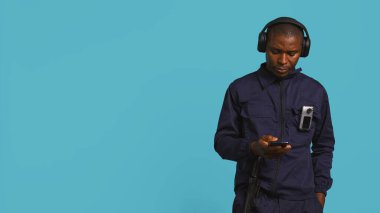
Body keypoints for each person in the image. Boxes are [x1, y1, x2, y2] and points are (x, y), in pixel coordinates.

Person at [214, 17, 335, 213]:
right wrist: (254, 148)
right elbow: (222, 142)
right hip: (254, 200)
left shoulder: (315, 92)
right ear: (264, 46)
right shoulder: (240, 89)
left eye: (292, 53)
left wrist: (319, 196)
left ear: (303, 50)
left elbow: (324, 145)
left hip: (303, 203)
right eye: (275, 51)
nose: (283, 60)